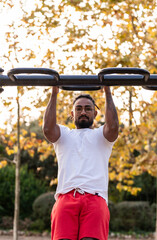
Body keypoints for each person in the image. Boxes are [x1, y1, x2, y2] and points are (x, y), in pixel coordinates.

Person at [43, 86, 119, 240]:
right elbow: (47, 129)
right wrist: (54, 94)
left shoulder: (101, 136)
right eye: (78, 109)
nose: (83, 112)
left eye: (88, 109)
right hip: (66, 197)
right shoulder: (64, 134)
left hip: (95, 198)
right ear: (72, 114)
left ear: (95, 113)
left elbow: (113, 127)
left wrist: (108, 92)